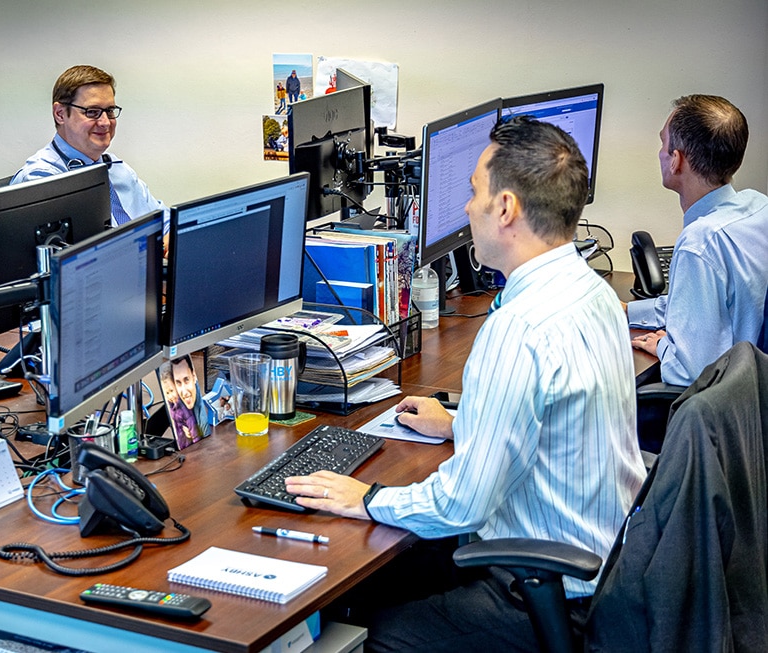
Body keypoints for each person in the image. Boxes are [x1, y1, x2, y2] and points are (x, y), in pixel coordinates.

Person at [286, 116, 646, 651]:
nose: (465, 208)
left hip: (548, 593)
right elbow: (553, 422)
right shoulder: (594, 293)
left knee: (373, 630)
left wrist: (369, 497)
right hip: (611, 569)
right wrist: (461, 423)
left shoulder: (518, 328)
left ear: (505, 208)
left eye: (474, 191)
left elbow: (463, 505)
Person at [628, 95, 768, 386]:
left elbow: (691, 373)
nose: (660, 153)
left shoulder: (700, 244)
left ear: (676, 161)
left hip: (728, 406)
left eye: (663, 144)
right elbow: (699, 305)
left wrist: (663, 346)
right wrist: (630, 311)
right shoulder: (759, 207)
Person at [11, 65, 165, 226]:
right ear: (60, 114)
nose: (105, 122)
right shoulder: (41, 180)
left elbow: (167, 222)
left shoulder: (118, 169)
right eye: (92, 111)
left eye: (110, 111)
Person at [170, 355, 211, 441]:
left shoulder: (203, 420)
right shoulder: (175, 402)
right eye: (178, 383)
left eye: (186, 380)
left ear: (194, 376)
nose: (184, 392)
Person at [159, 361, 197, 447]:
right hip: (180, 442)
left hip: (188, 445)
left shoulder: (183, 407)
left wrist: (194, 436)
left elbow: (192, 424)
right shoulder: (172, 405)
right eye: (167, 393)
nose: (170, 396)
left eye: (172, 391)